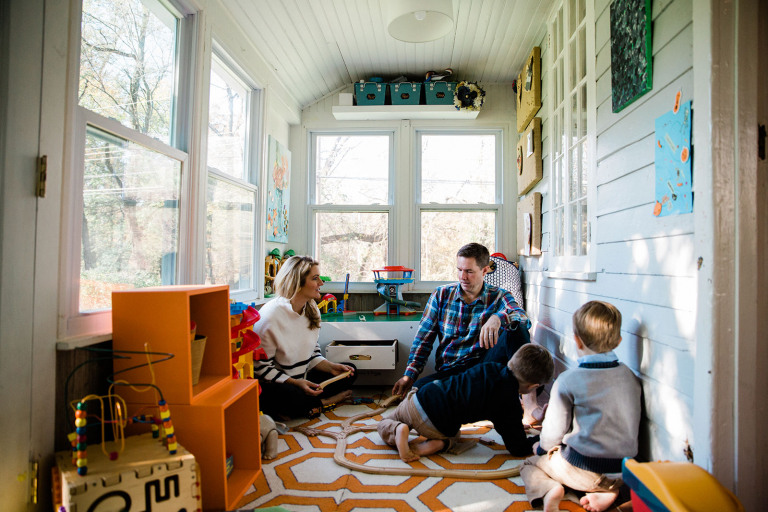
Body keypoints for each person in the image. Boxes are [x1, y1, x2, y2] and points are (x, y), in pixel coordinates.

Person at [391, 243, 541, 424]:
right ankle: (493, 402)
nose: (463, 277)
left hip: (485, 369)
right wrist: (410, 375)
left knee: (516, 328)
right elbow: (423, 340)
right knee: (419, 392)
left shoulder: (500, 296)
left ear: (485, 270)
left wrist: (498, 317)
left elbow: (522, 317)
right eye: (459, 270)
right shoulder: (441, 295)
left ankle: (530, 405)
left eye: (469, 271)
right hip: (453, 375)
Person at [520, 301, 641, 512]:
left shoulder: (568, 380)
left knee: (530, 465)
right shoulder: (630, 377)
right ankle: (609, 491)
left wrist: (541, 449)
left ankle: (550, 489)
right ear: (619, 340)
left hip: (586, 470)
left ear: (576, 341)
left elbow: (552, 434)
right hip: (624, 471)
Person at [378, 344, 554, 462]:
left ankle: (397, 429)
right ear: (533, 386)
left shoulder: (490, 366)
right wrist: (545, 438)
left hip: (421, 399)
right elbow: (517, 447)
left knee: (385, 423)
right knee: (453, 436)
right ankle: (434, 445)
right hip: (437, 424)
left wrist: (514, 424)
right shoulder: (509, 404)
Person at [254, 255, 356, 419]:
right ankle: (323, 402)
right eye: (315, 279)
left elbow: (312, 352)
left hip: (303, 377)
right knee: (291, 397)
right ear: (297, 282)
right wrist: (295, 383)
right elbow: (261, 369)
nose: (321, 283)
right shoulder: (270, 317)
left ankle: (305, 404)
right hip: (279, 385)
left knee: (350, 372)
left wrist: (331, 367)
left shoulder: (311, 308)